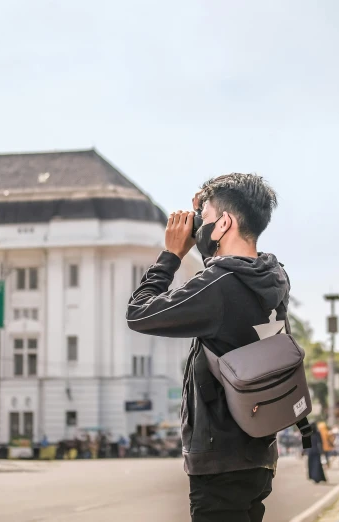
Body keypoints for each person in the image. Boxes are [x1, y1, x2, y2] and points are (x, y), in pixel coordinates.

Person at [127, 174, 285, 522]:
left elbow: (138, 313)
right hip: (258, 454)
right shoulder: (273, 277)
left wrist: (171, 254)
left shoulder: (217, 287)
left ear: (225, 222)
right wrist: (206, 216)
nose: (198, 222)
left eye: (205, 215)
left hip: (220, 463)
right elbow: (225, 260)